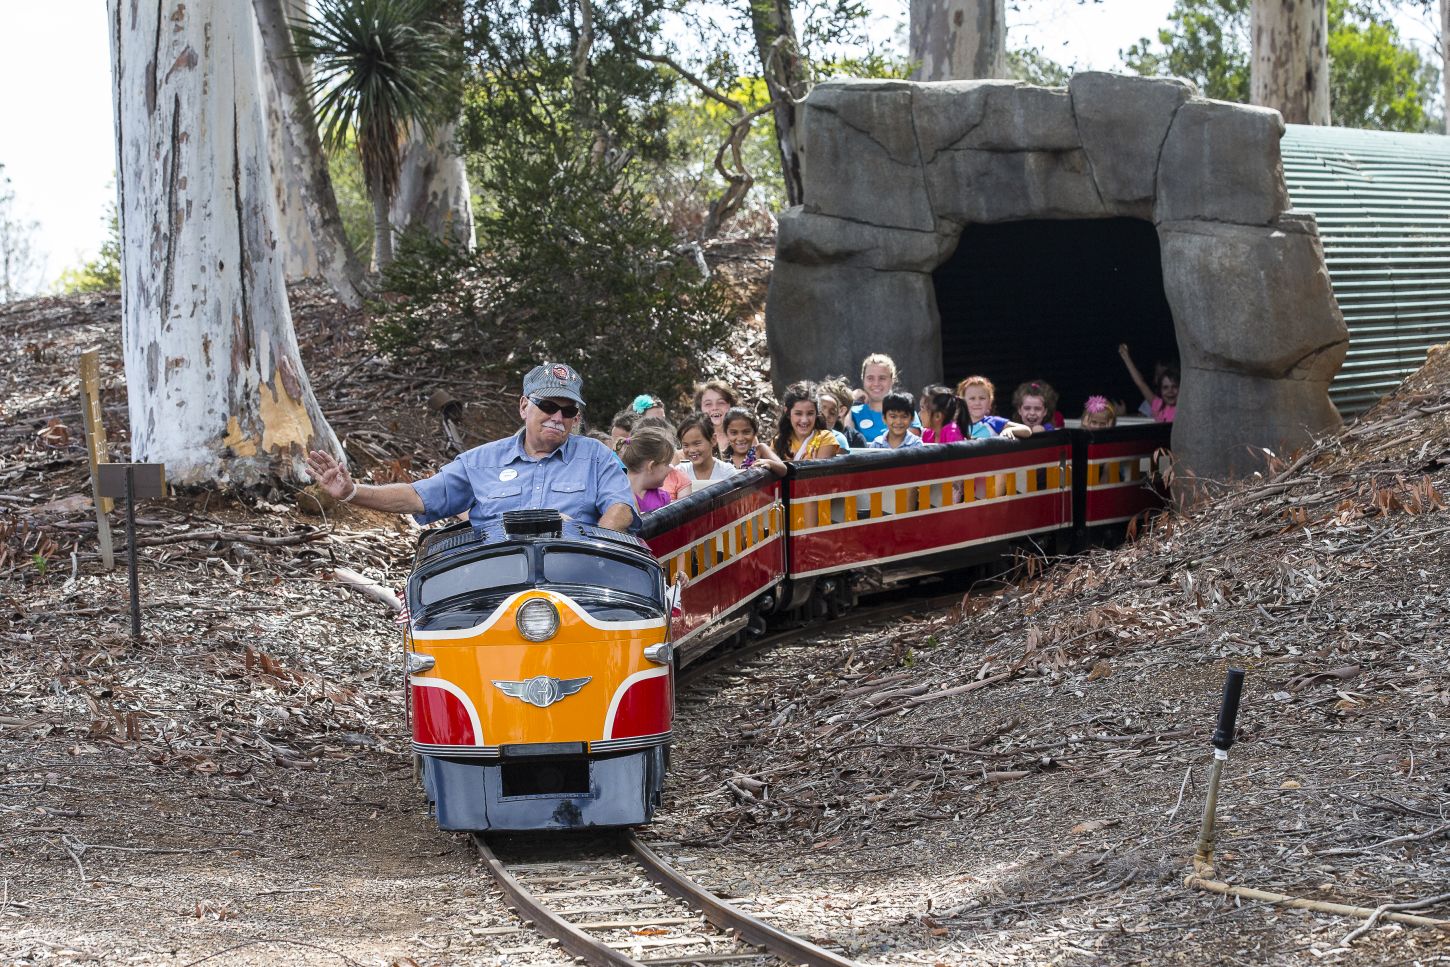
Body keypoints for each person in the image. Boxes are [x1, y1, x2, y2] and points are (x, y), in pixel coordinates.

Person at [305, 361, 636, 531]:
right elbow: (418, 495)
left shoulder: (596, 457)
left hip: (578, 584)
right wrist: (352, 492)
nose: (557, 417)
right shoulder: (481, 462)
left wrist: (591, 544)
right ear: (524, 406)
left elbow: (620, 508)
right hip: (495, 587)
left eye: (568, 411)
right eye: (548, 406)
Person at [774, 381, 841, 461]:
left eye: (810, 413)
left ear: (817, 413)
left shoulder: (826, 438)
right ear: (787, 413)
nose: (804, 420)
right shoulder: (779, 440)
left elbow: (820, 472)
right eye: (798, 413)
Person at [675, 413, 737, 497]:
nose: (692, 450)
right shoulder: (680, 472)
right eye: (686, 445)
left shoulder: (726, 472)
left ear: (713, 440)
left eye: (697, 444)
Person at [632, 415, 691, 500]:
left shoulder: (679, 478)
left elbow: (684, 510)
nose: (671, 450)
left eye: (671, 445)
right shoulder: (628, 479)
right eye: (667, 446)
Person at [619, 428, 676, 513]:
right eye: (667, 464)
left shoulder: (664, 498)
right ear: (651, 466)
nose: (671, 469)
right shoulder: (616, 498)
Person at [958, 376, 1032, 440]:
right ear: (963, 402)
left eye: (982, 398)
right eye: (972, 398)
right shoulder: (958, 426)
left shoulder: (994, 422)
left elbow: (1027, 430)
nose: (977, 403)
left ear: (990, 402)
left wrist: (1009, 430)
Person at [1118, 344, 1178, 422]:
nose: (1170, 391)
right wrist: (1125, 356)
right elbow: (1141, 383)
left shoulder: (1185, 408)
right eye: (1165, 387)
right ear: (1160, 390)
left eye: (1174, 386)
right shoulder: (1158, 405)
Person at [850, 353, 899, 444]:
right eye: (870, 378)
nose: (876, 383)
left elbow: (910, 450)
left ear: (892, 380)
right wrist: (850, 399)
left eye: (882, 378)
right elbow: (848, 444)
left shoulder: (905, 411)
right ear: (863, 379)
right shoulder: (852, 413)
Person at [721, 407, 787, 476]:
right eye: (734, 433)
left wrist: (768, 462)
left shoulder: (759, 450)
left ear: (754, 433)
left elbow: (783, 469)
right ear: (726, 434)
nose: (740, 438)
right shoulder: (724, 457)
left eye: (746, 432)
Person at [817, 377, 867, 450]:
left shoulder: (855, 439)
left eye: (826, 406)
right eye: (819, 405)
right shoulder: (811, 433)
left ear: (841, 411)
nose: (820, 411)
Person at [693, 380, 739, 455]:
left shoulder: (744, 434)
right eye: (708, 404)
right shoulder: (693, 437)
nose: (715, 407)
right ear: (700, 408)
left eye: (721, 402)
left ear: (731, 405)